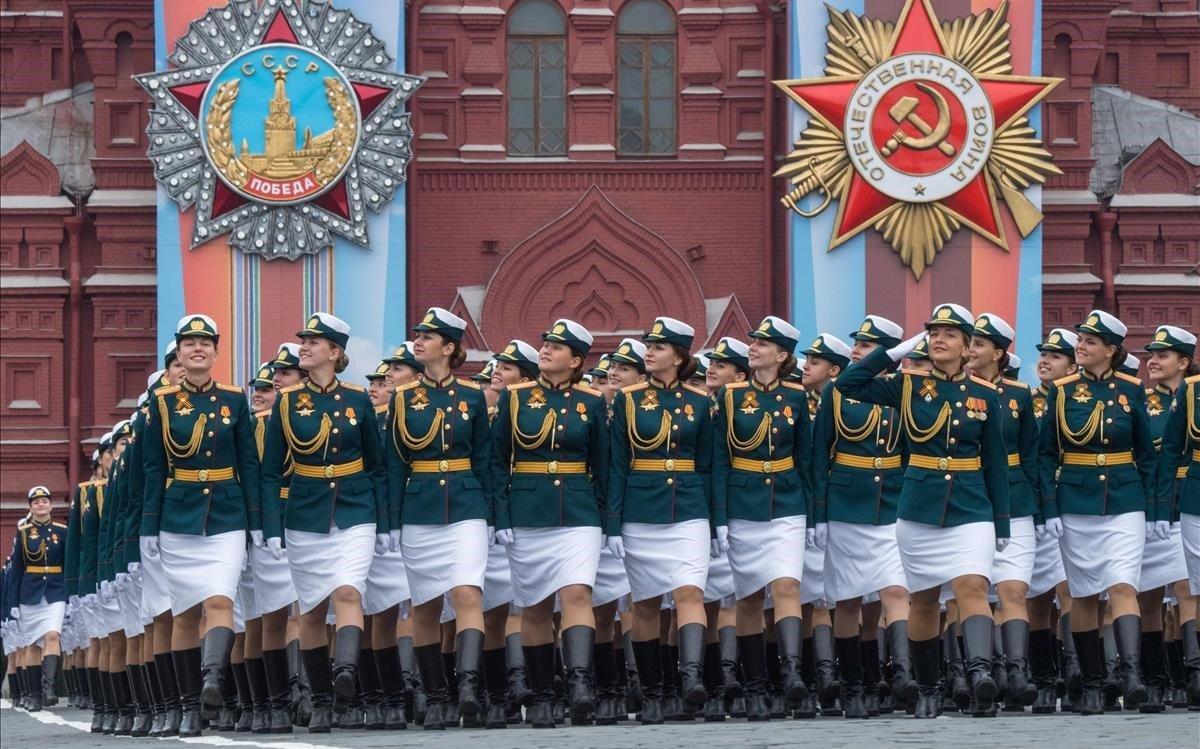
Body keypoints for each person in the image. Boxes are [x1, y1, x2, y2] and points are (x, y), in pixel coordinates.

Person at [836, 303, 1010, 720]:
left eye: (949, 334)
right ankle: (930, 687)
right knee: (925, 599)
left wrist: (1001, 521)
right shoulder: (907, 385)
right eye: (933, 332)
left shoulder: (985, 395)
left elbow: (996, 462)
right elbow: (848, 384)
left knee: (972, 586)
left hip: (971, 505)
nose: (938, 339)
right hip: (919, 508)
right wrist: (894, 353)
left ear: (968, 348)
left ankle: (981, 674)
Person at [259, 313, 388, 732]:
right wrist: (272, 528)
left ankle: (346, 674)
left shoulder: (357, 400)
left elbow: (378, 465)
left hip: (355, 509)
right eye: (304, 341)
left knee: (349, 591)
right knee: (312, 610)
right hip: (305, 513)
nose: (305, 347)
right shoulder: (287, 402)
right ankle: (321, 699)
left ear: (335, 352)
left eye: (315, 342)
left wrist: (385, 524)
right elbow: (270, 471)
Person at [139, 315, 260, 736]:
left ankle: (212, 680)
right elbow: (154, 469)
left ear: (215, 351)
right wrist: (148, 528)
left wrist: (256, 523)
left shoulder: (234, 400)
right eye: (189, 343)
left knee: (220, 602)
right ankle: (189, 706)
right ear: (179, 352)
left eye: (205, 343)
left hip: (226, 515)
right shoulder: (162, 404)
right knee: (185, 615)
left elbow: (249, 464)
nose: (197, 349)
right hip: (178, 517)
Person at [1038, 309, 1157, 715]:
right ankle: (1090, 682)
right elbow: (1045, 453)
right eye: (1080, 340)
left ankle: (1132, 676)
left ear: (1111, 349)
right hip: (1076, 502)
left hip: (1125, 500)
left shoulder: (1131, 389)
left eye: (1090, 341)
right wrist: (1050, 506)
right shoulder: (1062, 391)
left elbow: (1146, 453)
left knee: (1123, 586)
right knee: (1085, 593)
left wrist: (1155, 508)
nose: (1081, 347)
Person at [492, 320, 608, 727]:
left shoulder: (592, 403)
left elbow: (603, 465)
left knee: (576, 593)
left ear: (576, 361)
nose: (546, 350)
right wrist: (501, 514)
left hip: (578, 513)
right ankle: (543, 694)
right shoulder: (515, 398)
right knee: (536, 605)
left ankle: (578, 685)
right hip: (527, 511)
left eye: (558, 347)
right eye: (546, 344)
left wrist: (604, 517)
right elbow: (496, 459)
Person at [387, 307, 492, 731]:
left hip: (466, 505)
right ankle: (436, 694)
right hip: (420, 507)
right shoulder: (402, 397)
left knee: (468, 595)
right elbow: (396, 463)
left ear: (448, 348)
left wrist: (492, 517)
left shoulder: (471, 396)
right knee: (425, 605)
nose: (419, 341)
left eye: (428, 337)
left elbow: (484, 459)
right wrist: (391, 521)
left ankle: (467, 687)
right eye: (418, 335)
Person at [608, 317, 713, 725]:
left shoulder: (702, 403)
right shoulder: (628, 400)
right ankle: (653, 692)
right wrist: (614, 524)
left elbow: (707, 465)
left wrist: (713, 519)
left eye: (659, 346)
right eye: (649, 346)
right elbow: (618, 466)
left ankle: (690, 681)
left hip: (687, 509)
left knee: (689, 593)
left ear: (680, 355)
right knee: (647, 603)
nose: (649, 352)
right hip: (641, 511)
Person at [709, 317, 814, 722]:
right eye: (754, 342)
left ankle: (790, 673)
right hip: (742, 504)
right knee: (749, 595)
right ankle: (755, 684)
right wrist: (719, 517)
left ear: (783, 355)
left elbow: (806, 460)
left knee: (786, 584)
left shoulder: (797, 396)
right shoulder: (730, 397)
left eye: (763, 344)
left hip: (786, 502)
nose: (754, 347)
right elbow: (719, 460)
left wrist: (813, 516)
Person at [812, 316, 915, 719]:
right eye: (855, 345)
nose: (856, 351)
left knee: (894, 592)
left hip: (890, 502)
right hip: (847, 504)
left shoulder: (903, 390)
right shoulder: (837, 393)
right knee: (850, 600)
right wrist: (820, 513)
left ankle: (903, 675)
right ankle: (856, 683)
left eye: (866, 347)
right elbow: (820, 453)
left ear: (889, 354)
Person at [968, 313, 1039, 709]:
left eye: (980, 344)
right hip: (971, 499)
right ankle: (980, 673)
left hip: (1014, 501)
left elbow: (1031, 456)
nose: (972, 350)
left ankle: (1016, 672)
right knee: (974, 592)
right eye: (971, 342)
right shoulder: (957, 390)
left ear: (999, 352)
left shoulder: (1020, 395)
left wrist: (1040, 511)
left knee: (1012, 589)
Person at [1138, 325, 1198, 711]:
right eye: (1150, 355)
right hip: (1150, 501)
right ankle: (1155, 677)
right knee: (1146, 594)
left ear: (1184, 361)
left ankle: (1188, 673)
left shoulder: (1191, 394)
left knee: (1186, 588)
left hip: (1187, 496)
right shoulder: (1139, 402)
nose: (1153, 362)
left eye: (1162, 355)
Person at [1027, 329, 1079, 713]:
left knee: (1071, 590)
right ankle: (1045, 678)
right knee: (1036, 599)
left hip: (1072, 504)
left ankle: (1077, 669)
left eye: (1055, 356)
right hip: (1036, 508)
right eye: (1043, 354)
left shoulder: (1080, 401)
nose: (1045, 360)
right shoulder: (1026, 403)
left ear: (1073, 366)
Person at [699, 337, 750, 721]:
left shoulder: (739, 408)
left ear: (740, 375)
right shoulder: (700, 406)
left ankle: (736, 676)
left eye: (722, 364)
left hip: (743, 511)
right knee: (703, 602)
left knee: (734, 597)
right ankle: (710, 680)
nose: (712, 369)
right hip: (701, 511)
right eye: (710, 363)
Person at [1156, 335, 1200, 710]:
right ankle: (1196, 671)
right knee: (1193, 589)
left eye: (1163, 354)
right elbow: (1170, 452)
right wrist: (1160, 508)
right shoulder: (1190, 393)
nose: (1154, 360)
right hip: (1193, 499)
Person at [5, 486, 69, 712]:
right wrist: (12, 602)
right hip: (30, 592)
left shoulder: (62, 531)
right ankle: (33, 695)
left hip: (55, 590)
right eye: (36, 502)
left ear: (51, 505)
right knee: (32, 645)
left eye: (45, 501)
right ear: (30, 507)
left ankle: (48, 687)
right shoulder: (23, 532)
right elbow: (16, 570)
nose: (41, 505)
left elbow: (69, 564)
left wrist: (71, 594)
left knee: (52, 635)